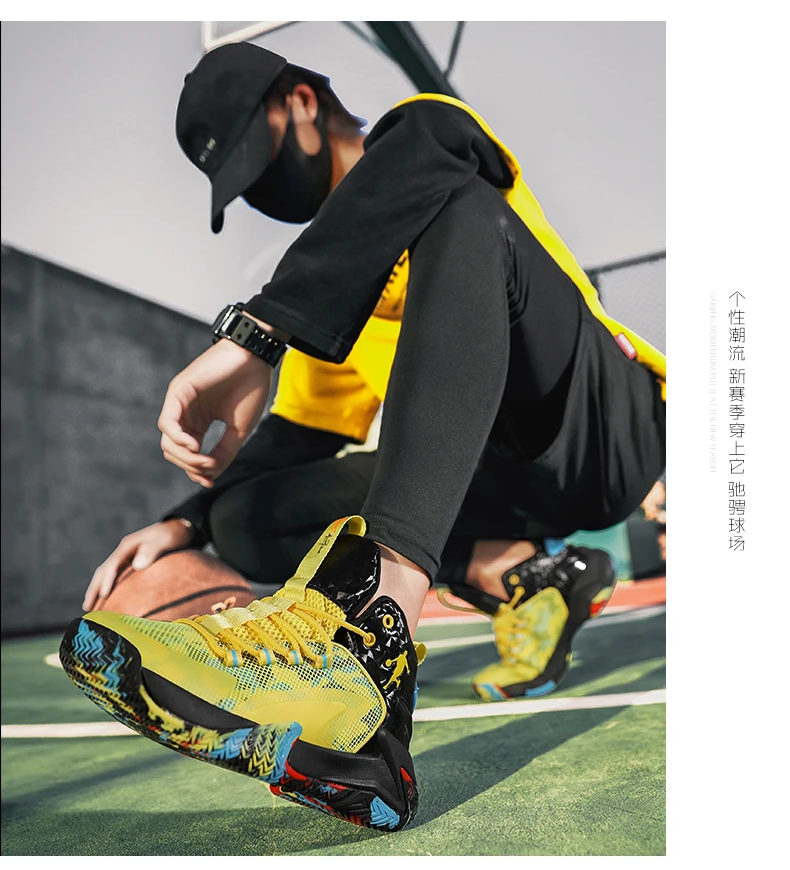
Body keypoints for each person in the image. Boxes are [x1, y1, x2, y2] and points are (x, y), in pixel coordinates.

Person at [61, 42, 666, 832]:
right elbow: (293, 440)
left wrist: (259, 333)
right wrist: (183, 521)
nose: (260, 189)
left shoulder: (426, 135)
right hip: (490, 470)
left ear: (303, 101)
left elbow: (426, 153)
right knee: (246, 515)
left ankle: (369, 636)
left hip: (603, 425)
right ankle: (519, 586)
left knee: (456, 208)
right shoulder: (338, 289)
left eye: (255, 157)